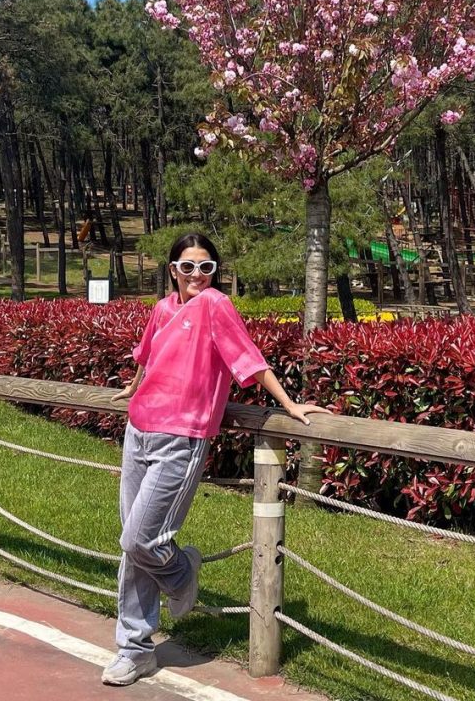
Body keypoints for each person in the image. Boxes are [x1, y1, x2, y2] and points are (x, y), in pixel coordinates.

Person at [101, 231, 327, 687]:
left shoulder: (215, 305)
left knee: (140, 542)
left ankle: (183, 571)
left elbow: (248, 358)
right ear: (173, 271)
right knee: (132, 545)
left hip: (182, 436)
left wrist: (289, 405)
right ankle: (134, 648)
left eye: (206, 267)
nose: (197, 276)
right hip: (138, 430)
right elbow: (146, 355)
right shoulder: (164, 307)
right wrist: (132, 386)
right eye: (188, 267)